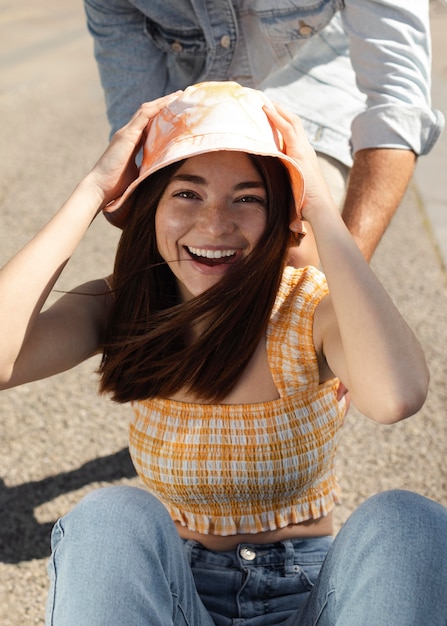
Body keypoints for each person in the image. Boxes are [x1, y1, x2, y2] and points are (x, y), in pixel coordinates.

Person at [1, 81, 446, 625]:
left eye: (248, 198)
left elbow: (397, 395)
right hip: (174, 592)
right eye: (187, 193)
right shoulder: (123, 303)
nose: (215, 225)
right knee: (107, 517)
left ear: (283, 211)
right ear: (150, 207)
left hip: (308, 595)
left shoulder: (307, 308)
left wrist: (323, 212)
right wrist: (94, 189)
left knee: (409, 522)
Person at [83, 0, 444, 263]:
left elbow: (396, 107)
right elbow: (138, 134)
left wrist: (339, 288)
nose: (215, 226)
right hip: (195, 116)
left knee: (291, 258)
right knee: (163, 278)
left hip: (313, 97)